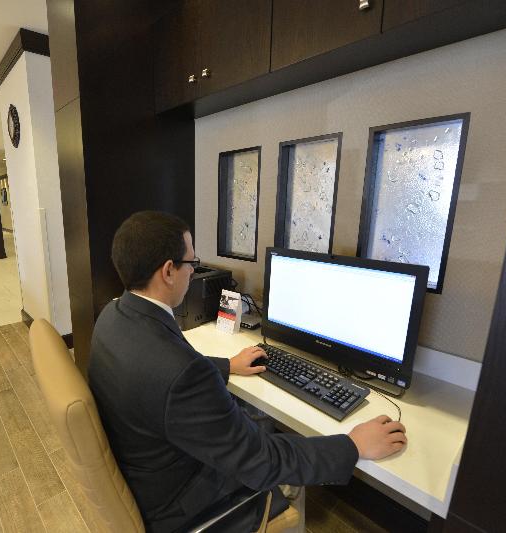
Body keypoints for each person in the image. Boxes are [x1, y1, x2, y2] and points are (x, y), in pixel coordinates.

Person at [88, 211, 407, 533]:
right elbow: (261, 463)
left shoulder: (113, 315)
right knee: (274, 452)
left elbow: (160, 374)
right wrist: (352, 446)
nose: (193, 270)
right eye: (191, 263)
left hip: (144, 469)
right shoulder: (181, 373)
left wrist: (228, 365)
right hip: (181, 506)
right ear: (168, 271)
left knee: (256, 421)